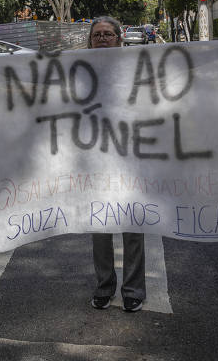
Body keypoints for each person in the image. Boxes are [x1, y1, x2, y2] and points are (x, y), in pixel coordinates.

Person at [86, 17, 146, 313]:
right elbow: (40, 80)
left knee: (133, 227)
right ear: (90, 40)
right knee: (101, 227)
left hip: (131, 158)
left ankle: (133, 289)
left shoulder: (135, 65)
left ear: (119, 39)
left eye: (108, 34)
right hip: (95, 161)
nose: (102, 39)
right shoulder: (78, 69)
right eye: (97, 35)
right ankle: (104, 287)